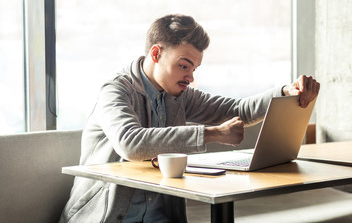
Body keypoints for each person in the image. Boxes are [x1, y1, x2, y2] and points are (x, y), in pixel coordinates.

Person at [59, 14, 320, 223]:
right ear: (156, 54)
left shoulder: (180, 95)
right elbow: (131, 144)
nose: (190, 77)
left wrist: (287, 91)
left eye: (194, 68)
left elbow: (239, 109)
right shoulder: (116, 90)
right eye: (184, 65)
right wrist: (212, 134)